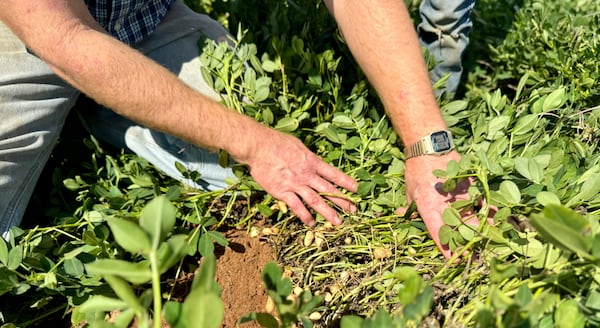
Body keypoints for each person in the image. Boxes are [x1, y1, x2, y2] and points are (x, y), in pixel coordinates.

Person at [0, 0, 478, 259]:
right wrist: (258, 146)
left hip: (142, 13)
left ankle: (108, 107)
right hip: (31, 32)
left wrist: (427, 143)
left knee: (247, 129)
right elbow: (67, 41)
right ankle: (102, 103)